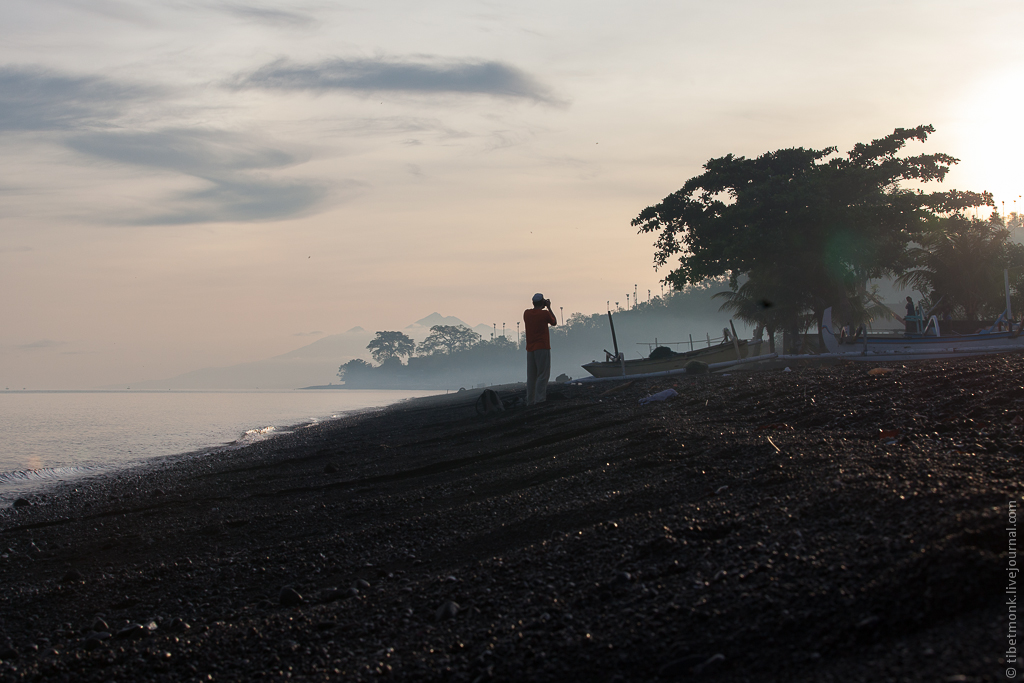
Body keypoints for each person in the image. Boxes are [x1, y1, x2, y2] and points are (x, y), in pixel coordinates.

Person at [523, 293, 558, 405]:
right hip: (542, 347)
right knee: (542, 374)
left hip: (530, 348)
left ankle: (530, 400)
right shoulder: (544, 314)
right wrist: (549, 307)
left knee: (531, 376)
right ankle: (540, 399)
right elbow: (554, 322)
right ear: (542, 302)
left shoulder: (527, 313)